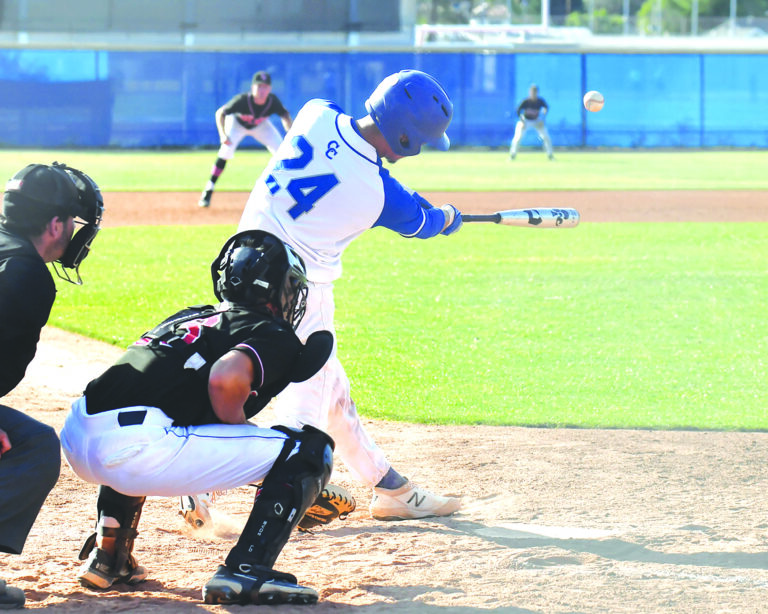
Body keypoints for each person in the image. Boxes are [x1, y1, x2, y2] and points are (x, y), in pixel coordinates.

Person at [233, 69, 464, 523]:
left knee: (332, 391)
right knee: (304, 409)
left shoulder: (314, 112)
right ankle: (264, 499)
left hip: (241, 265)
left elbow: (372, 178)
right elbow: (421, 222)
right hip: (301, 293)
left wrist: (423, 207)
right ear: (405, 138)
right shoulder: (377, 192)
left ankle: (391, 488)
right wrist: (446, 218)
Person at [60, 229, 337, 606]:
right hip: (140, 451)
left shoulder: (190, 317)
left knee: (140, 419)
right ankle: (246, 570)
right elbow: (227, 378)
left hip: (78, 437)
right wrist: (275, 470)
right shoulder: (271, 331)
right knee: (307, 450)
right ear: (275, 289)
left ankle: (110, 555)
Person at [0, 162, 104, 609]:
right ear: (55, 224)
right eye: (73, 223)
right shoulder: (23, 274)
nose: (75, 234)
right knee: (34, 448)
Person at [198, 71, 293, 208]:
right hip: (237, 125)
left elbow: (285, 115)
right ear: (252, 87)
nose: (262, 90)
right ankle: (208, 189)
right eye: (259, 86)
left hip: (261, 126)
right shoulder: (242, 100)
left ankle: (286, 194)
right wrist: (223, 135)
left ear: (270, 89)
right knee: (226, 151)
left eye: (265, 87)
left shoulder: (272, 101)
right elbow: (220, 113)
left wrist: (289, 131)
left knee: (282, 153)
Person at [509, 84, 554, 160]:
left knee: (546, 137)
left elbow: (546, 108)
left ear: (537, 93)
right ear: (529, 92)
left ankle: (550, 155)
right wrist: (522, 121)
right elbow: (518, 111)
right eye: (532, 92)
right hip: (525, 120)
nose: (533, 93)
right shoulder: (526, 101)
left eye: (535, 92)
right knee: (518, 137)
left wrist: (542, 119)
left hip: (537, 121)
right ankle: (512, 155)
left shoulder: (540, 101)